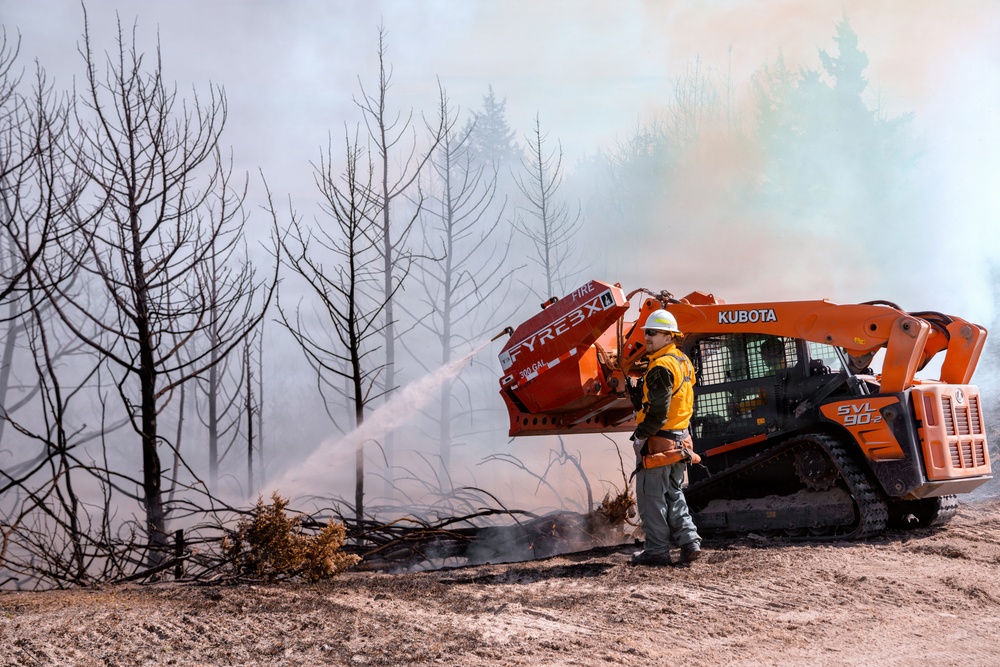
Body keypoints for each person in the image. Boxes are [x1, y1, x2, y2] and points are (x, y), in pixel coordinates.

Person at [627, 309, 703, 566]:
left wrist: (640, 434)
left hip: (659, 441)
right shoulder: (681, 360)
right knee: (674, 493)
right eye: (646, 332)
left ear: (668, 336)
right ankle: (689, 541)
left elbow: (658, 413)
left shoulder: (660, 367)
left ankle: (657, 551)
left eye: (653, 333)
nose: (647, 337)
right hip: (681, 439)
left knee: (651, 499)